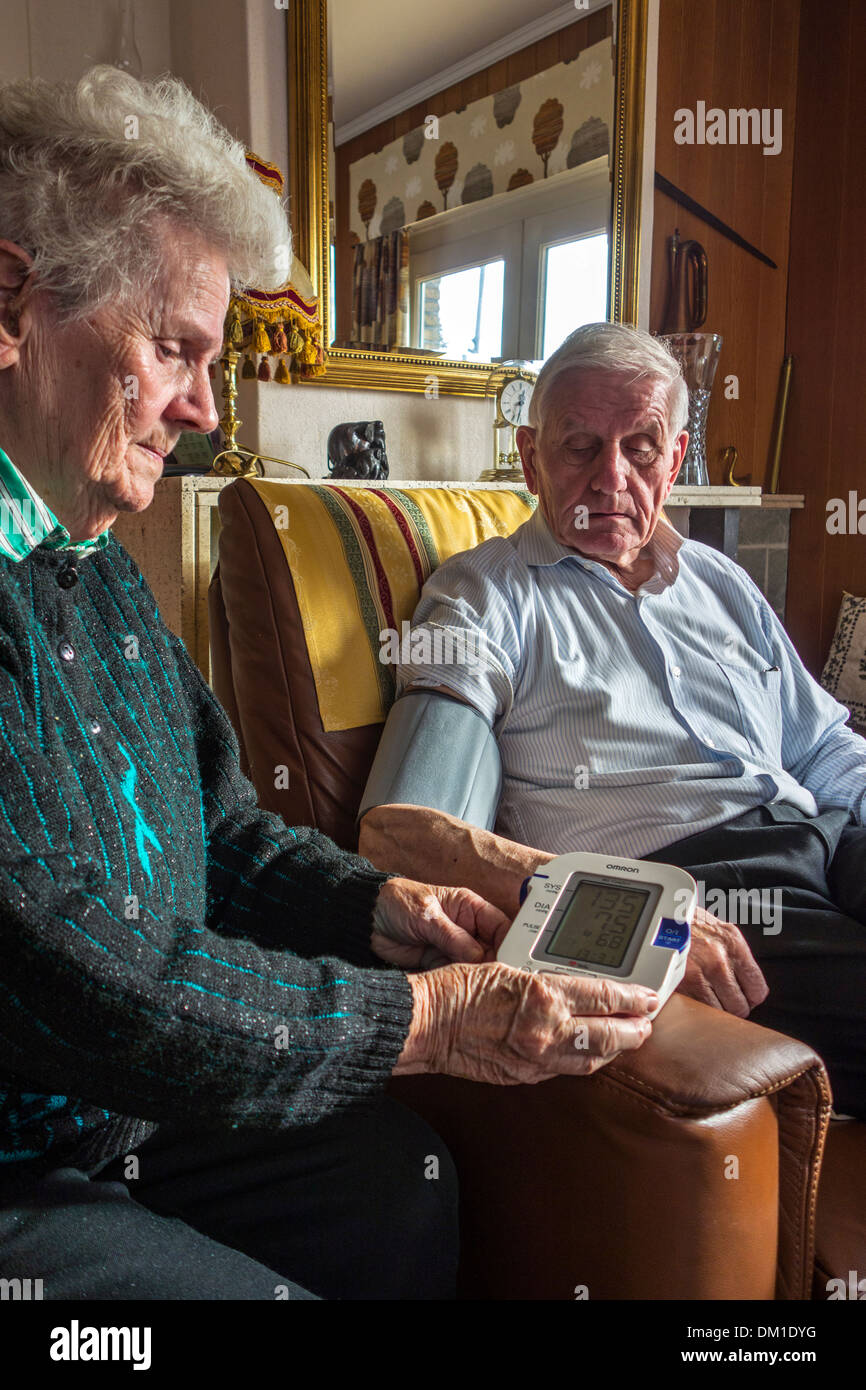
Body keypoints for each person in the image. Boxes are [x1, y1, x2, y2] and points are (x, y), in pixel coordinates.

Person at [0, 71, 659, 1301]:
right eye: (174, 349)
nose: (199, 409)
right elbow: (74, 975)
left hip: (134, 1114)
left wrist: (377, 909)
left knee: (397, 1186)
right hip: (22, 1157)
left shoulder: (92, 567)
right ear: (12, 300)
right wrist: (424, 1020)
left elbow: (226, 834)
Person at [360, 321, 866, 1118]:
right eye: (580, 447)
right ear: (531, 459)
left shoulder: (719, 581)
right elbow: (401, 833)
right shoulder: (483, 597)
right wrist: (638, 918)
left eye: (640, 447)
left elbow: (826, 743)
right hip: (704, 886)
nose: (611, 479)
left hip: (832, 840)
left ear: (675, 457)